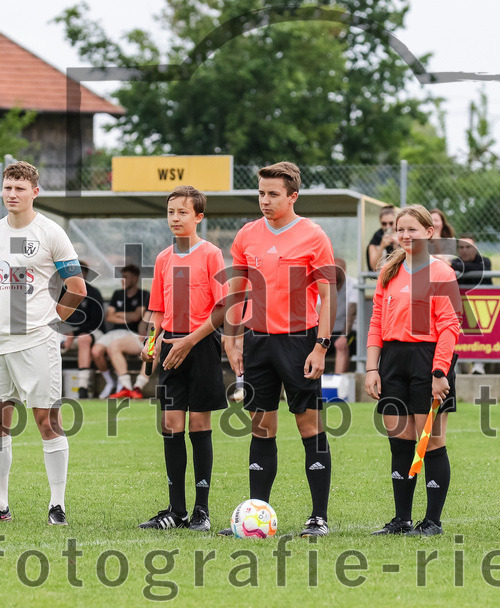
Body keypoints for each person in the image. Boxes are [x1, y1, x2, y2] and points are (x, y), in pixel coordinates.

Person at [0, 161, 86, 526]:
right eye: (7, 188)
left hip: (38, 340)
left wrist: (50, 323)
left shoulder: (52, 232)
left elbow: (77, 289)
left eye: (20, 188)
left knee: (46, 420)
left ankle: (57, 505)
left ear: (35, 192)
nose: (12, 194)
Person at [222, 161, 336, 537]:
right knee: (261, 427)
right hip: (256, 341)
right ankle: (256, 514)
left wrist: (320, 347)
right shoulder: (247, 235)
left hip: (299, 340)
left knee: (309, 424)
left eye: (273, 194)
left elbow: (327, 295)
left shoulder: (313, 235)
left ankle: (318, 517)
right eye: (261, 193)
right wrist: (232, 336)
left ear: (293, 196)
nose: (265, 200)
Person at [365, 205, 461, 536]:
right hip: (393, 360)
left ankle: (432, 521)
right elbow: (376, 322)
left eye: (412, 230)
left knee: (431, 442)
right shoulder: (388, 272)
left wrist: (439, 373)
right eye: (400, 230)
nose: (405, 235)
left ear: (429, 232)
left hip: (429, 359)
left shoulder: (441, 273)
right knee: (400, 442)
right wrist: (371, 368)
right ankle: (402, 520)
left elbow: (450, 326)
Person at [138, 185, 227, 531]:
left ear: (198, 217)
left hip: (200, 346)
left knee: (199, 425)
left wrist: (189, 341)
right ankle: (176, 511)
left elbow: (221, 310)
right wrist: (151, 341)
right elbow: (157, 311)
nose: (175, 218)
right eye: (171, 212)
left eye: (183, 212)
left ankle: (201, 512)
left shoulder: (211, 254)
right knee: (171, 425)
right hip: (171, 347)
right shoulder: (163, 259)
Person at [93, 264, 150, 399]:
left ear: (135, 278)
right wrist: (129, 316)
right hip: (116, 332)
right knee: (96, 351)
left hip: (134, 334)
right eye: (121, 277)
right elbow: (110, 316)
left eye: (125, 277)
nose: (122, 280)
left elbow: (138, 317)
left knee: (153, 348)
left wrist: (120, 315)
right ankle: (117, 384)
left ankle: (134, 388)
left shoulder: (144, 294)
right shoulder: (117, 294)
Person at [61, 262, 105, 399]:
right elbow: (55, 315)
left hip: (92, 332)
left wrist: (73, 333)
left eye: (81, 272)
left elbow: (96, 321)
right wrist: (66, 332)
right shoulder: (62, 292)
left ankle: (82, 387)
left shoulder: (93, 293)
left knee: (83, 339)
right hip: (67, 334)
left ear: (85, 274)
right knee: (50, 339)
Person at [452, 233, 492, 375]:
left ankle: (478, 365)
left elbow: (482, 268)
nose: (464, 250)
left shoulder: (484, 261)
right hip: (462, 309)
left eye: (468, 247)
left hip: (483, 310)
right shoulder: (455, 262)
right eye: (461, 247)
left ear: (475, 248)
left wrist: (459, 267)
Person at [331, 257, 359, 374]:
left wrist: (343, 336)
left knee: (341, 344)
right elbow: (317, 311)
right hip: (328, 332)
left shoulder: (354, 284)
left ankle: (337, 382)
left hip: (349, 332)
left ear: (343, 270)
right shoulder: (325, 285)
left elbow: (351, 314)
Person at [368, 206, 397, 271]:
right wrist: (381, 246)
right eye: (384, 224)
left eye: (391, 223)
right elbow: (374, 267)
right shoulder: (377, 236)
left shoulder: (402, 234)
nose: (387, 226)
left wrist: (397, 246)